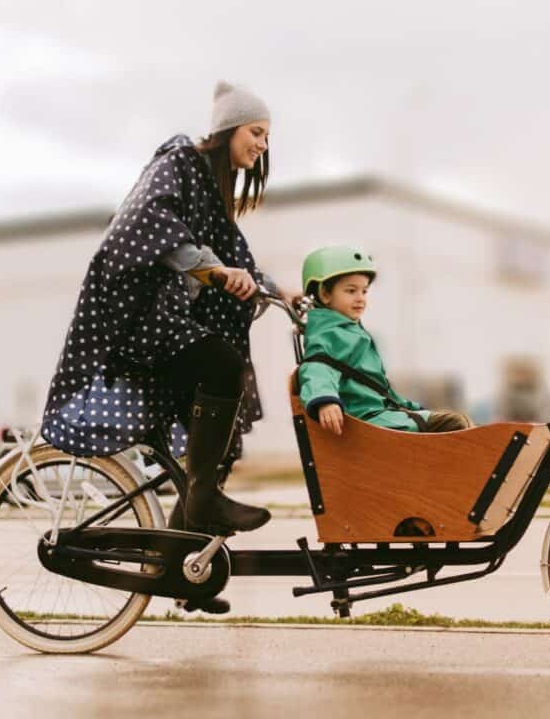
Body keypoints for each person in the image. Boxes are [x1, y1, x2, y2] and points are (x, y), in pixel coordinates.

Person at [42, 81, 285, 567]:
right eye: (256, 132)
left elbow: (233, 258)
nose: (262, 145)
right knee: (222, 365)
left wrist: (281, 292)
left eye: (266, 137)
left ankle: (176, 569)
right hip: (136, 321)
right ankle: (201, 502)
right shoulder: (177, 163)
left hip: (165, 324)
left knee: (210, 444)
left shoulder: (211, 192)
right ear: (227, 128)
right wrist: (216, 273)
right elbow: (152, 228)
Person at [297, 246, 472, 435]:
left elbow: (376, 387)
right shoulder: (329, 335)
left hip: (380, 413)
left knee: (458, 423)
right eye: (351, 291)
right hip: (366, 420)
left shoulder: (350, 332)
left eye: (364, 291)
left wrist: (407, 406)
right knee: (455, 425)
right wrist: (325, 400)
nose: (360, 298)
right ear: (325, 294)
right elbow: (317, 367)